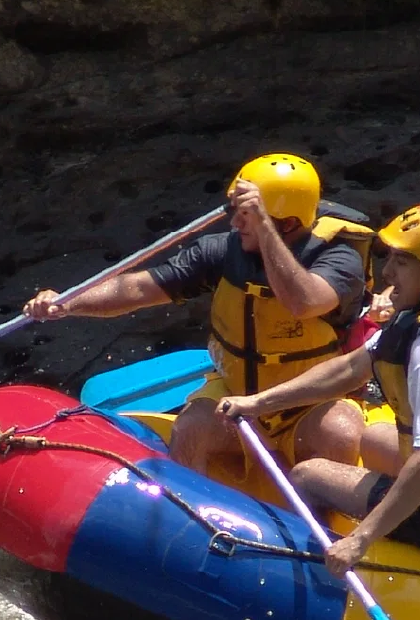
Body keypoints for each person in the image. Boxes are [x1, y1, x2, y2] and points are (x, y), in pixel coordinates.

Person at [216, 205, 420, 570]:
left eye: (403, 262)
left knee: (308, 476)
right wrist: (258, 402)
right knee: (375, 437)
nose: (386, 273)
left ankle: (306, 576)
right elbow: (351, 370)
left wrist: (360, 539)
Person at [24, 153, 372, 476]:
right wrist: (68, 303)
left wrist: (264, 231)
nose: (236, 223)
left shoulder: (340, 260)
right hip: (235, 396)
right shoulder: (221, 251)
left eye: (247, 217)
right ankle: (188, 516)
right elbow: (138, 289)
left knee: (340, 433)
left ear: (288, 224)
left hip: (308, 403)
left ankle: (321, 531)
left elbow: (304, 303)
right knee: (190, 428)